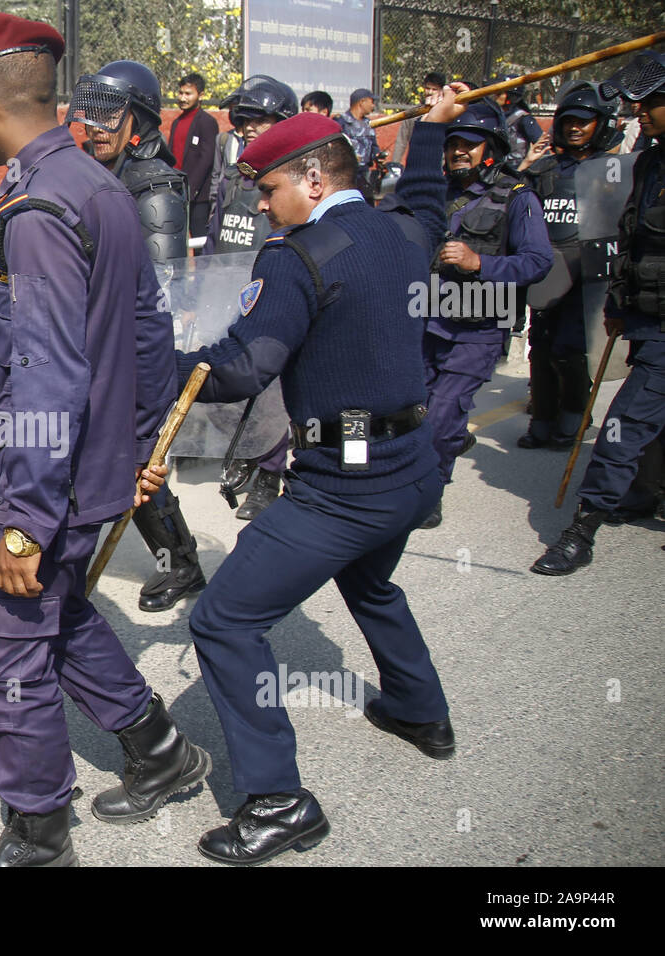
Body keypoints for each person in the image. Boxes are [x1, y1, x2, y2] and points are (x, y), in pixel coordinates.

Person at [167, 89, 470, 866]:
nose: (263, 207)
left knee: (223, 622)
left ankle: (279, 803)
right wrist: (433, 135)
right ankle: (418, 708)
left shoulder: (297, 255)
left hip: (345, 485)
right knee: (371, 584)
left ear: (309, 178)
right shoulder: (404, 231)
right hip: (412, 469)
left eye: (268, 190)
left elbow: (241, 369)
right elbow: (431, 201)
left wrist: (155, 364)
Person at [0, 12, 210, 867]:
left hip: (41, 483)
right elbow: (146, 339)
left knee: (7, 658)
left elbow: (47, 374)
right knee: (63, 616)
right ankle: (162, 752)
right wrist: (135, 454)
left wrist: (22, 520)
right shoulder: (100, 188)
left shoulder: (41, 206)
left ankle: (39, 830)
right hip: (85, 469)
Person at [69, 59, 204, 612]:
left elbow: (162, 298)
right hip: (96, 343)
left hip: (133, 354)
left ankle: (182, 563)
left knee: (136, 462)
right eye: (90, 116)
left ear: (140, 121)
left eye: (109, 116)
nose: (94, 128)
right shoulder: (104, 173)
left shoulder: (152, 190)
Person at [532, 52, 665, 574]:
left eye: (651, 103)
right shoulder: (650, 161)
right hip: (647, 315)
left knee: (624, 424)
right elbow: (631, 235)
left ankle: (581, 529)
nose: (640, 113)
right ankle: (643, 495)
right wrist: (617, 301)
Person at [419, 104, 553, 528]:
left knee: (440, 415)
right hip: (426, 319)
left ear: (491, 149)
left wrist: (480, 263)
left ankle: (430, 491)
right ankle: (451, 441)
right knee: (416, 412)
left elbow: (538, 262)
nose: (459, 151)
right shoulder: (435, 194)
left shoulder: (517, 197)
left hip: (478, 327)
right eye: (453, 143)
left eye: (470, 145)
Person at [203, 75, 298, 521]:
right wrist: (199, 288)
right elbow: (216, 232)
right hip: (226, 293)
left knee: (268, 394)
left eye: (261, 119)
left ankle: (269, 476)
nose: (251, 127)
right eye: (245, 119)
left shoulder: (294, 178)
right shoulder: (234, 172)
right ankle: (247, 449)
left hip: (272, 294)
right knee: (221, 388)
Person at [520, 82, 625, 450]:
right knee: (542, 348)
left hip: (589, 277)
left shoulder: (612, 171)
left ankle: (574, 415)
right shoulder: (545, 169)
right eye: (570, 120)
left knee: (570, 350)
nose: (576, 127)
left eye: (585, 121)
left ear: (602, 124)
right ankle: (543, 419)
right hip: (548, 270)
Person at [168, 72, 219, 239]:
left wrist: (191, 189)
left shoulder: (207, 122)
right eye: (181, 93)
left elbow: (206, 159)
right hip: (176, 192)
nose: (183, 98)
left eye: (188, 93)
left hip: (198, 198)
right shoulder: (176, 122)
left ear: (201, 95)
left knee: (199, 242)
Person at [491, 77, 545, 171]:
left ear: (511, 97)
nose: (495, 96)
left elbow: (541, 143)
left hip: (517, 168)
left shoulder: (522, 117)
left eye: (499, 93)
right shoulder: (494, 116)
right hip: (497, 167)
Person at [392, 72, 446, 165]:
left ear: (441, 91)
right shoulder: (413, 113)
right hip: (415, 162)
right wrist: (394, 164)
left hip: (438, 164)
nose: (430, 92)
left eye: (434, 89)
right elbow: (401, 141)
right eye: (427, 88)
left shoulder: (446, 114)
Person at [337, 88, 378, 194]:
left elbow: (374, 145)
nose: (373, 106)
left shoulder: (369, 123)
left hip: (364, 173)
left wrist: (378, 155)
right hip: (347, 172)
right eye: (372, 102)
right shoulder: (342, 122)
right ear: (362, 102)